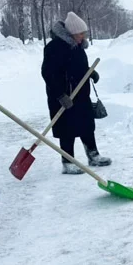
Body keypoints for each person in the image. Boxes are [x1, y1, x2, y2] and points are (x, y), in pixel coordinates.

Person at [41, 12, 111, 174]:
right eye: (81, 33)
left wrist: (90, 73)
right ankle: (68, 161)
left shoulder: (78, 47)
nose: (83, 36)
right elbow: (48, 73)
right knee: (67, 129)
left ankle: (93, 155)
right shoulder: (54, 48)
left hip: (81, 95)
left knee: (87, 125)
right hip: (63, 97)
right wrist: (60, 95)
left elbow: (77, 68)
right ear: (72, 33)